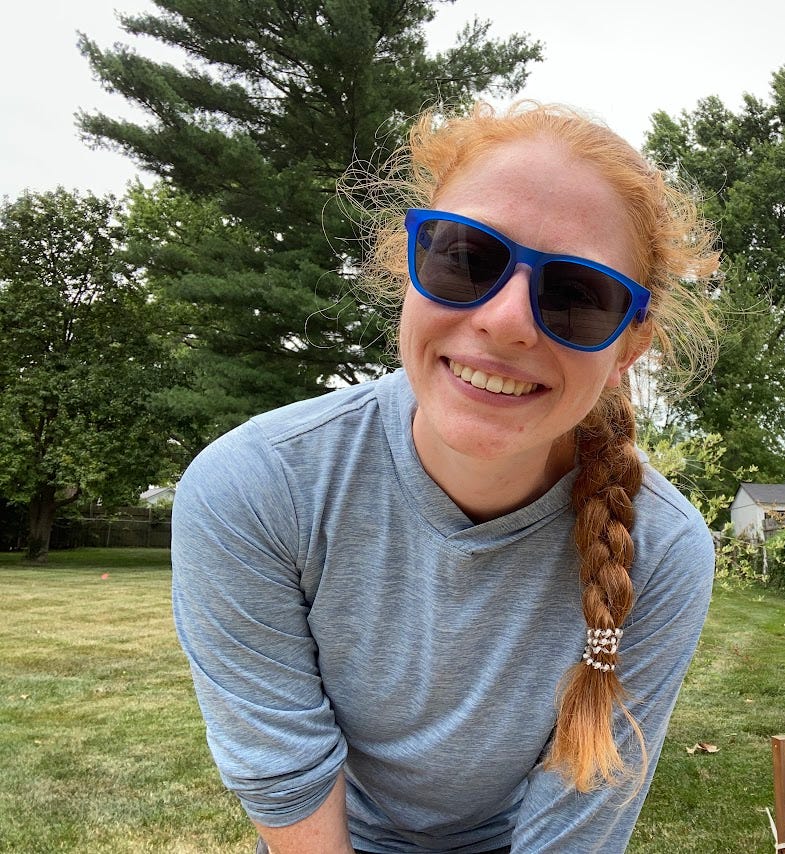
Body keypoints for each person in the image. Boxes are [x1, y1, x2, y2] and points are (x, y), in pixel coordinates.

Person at [171, 101, 721, 854]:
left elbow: (575, 823)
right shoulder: (256, 486)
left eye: (575, 295)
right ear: (407, 267)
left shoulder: (664, 548)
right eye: (465, 257)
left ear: (629, 347)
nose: (506, 321)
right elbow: (282, 769)